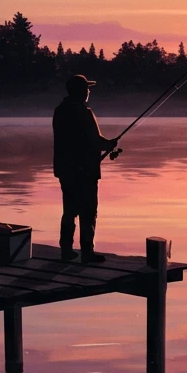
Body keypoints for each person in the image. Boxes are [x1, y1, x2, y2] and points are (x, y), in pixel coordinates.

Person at [53, 74, 118, 263]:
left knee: (69, 210)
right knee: (88, 211)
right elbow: (93, 141)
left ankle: (66, 250)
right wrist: (109, 144)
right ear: (81, 91)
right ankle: (87, 252)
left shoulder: (60, 110)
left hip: (65, 170)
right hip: (85, 171)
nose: (89, 91)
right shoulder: (83, 111)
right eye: (87, 88)